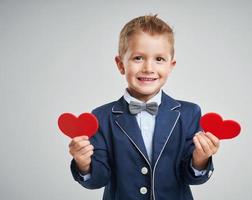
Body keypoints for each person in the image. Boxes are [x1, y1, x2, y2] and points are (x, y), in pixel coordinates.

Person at [69, 14, 220, 200]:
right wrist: (83, 163)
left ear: (171, 66)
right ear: (120, 64)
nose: (148, 68)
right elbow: (98, 180)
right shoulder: (100, 117)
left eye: (159, 59)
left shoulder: (189, 113)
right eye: (138, 58)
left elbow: (192, 177)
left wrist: (200, 159)